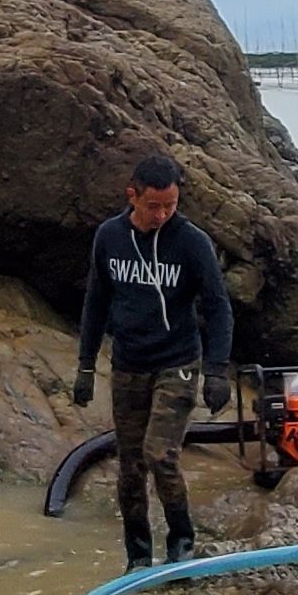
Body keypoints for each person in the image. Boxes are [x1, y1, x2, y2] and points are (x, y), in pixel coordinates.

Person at [68, 152, 235, 569]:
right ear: (133, 196)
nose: (162, 214)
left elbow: (218, 307)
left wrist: (216, 370)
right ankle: (138, 556)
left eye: (171, 205)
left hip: (176, 362)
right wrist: (86, 366)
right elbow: (96, 302)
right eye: (154, 206)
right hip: (128, 364)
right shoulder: (109, 236)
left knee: (161, 454)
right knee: (130, 467)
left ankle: (182, 541)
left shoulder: (192, 242)